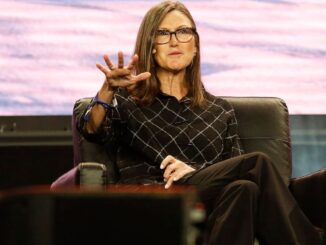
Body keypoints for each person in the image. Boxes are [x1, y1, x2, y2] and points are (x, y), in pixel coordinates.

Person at [78, 1, 321, 244]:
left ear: (195, 46)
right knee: (257, 163)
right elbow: (91, 128)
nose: (174, 41)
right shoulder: (127, 100)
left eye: (184, 32)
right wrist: (107, 90)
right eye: (163, 33)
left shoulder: (220, 111)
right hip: (152, 201)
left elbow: (233, 173)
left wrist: (198, 173)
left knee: (245, 189)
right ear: (151, 46)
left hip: (207, 205)